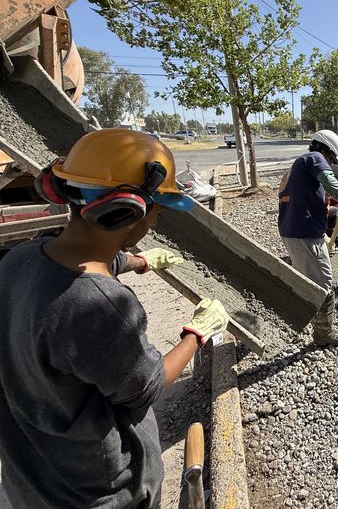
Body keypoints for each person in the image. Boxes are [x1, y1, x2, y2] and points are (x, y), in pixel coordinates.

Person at [0, 129, 230, 508]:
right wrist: (196, 333)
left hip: (32, 481)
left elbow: (77, 260)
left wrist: (139, 261)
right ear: (127, 210)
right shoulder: (103, 308)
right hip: (98, 494)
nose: (155, 222)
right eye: (156, 210)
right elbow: (148, 387)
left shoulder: (18, 261)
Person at [278, 129, 338, 345]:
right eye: (331, 158)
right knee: (323, 286)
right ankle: (324, 335)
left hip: (292, 231)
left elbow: (306, 199)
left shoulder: (298, 166)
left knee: (308, 280)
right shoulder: (315, 158)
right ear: (325, 149)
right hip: (305, 235)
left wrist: (330, 214)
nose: (329, 163)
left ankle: (303, 318)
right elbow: (331, 182)